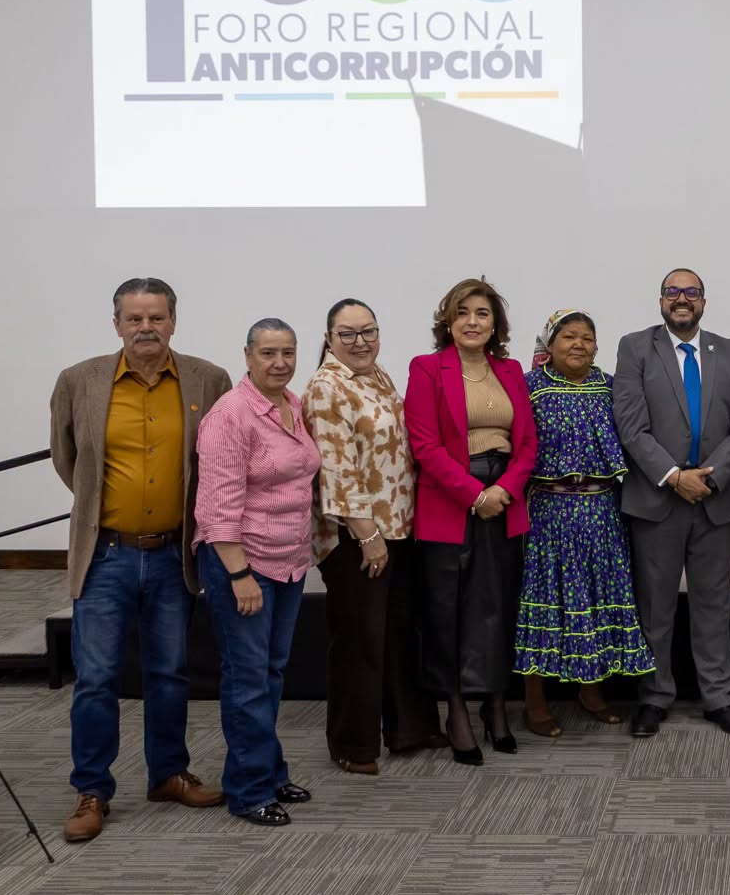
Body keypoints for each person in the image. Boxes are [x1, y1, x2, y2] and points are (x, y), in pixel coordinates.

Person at [49, 277, 231, 843]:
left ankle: (168, 774)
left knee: (170, 672)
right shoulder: (79, 381)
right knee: (97, 678)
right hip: (106, 554)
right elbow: (67, 458)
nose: (145, 328)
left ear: (173, 321)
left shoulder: (208, 379)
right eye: (134, 318)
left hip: (175, 553)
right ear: (117, 324)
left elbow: (220, 460)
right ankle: (92, 790)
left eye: (156, 317)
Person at [304, 298, 446, 776]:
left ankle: (411, 728)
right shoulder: (326, 387)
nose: (360, 341)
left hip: (397, 526)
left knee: (400, 632)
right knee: (360, 640)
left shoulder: (376, 375)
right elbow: (335, 469)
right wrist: (367, 536)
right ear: (329, 339)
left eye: (368, 331)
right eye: (347, 334)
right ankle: (353, 743)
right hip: (357, 537)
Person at [613, 269, 730, 738]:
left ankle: (718, 697)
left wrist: (708, 478)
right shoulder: (635, 348)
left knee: (714, 605)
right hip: (658, 498)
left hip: (715, 498)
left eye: (691, 292)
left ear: (703, 303)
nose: (682, 299)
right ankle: (654, 697)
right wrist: (675, 477)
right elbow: (630, 426)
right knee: (655, 607)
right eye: (672, 291)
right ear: (660, 301)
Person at [195, 318, 321, 826]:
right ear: (247, 356)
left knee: (270, 672)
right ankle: (249, 791)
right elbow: (216, 507)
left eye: (288, 352)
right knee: (247, 678)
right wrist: (239, 574)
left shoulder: (293, 405)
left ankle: (266, 770)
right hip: (243, 563)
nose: (280, 362)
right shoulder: (230, 415)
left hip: (289, 561)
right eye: (268, 353)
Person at [406, 278, 536, 765]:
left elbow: (527, 444)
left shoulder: (511, 370)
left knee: (497, 607)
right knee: (449, 612)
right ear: (448, 320)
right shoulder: (427, 368)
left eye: (482, 313)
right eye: (462, 313)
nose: (472, 322)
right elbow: (424, 446)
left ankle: (496, 704)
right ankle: (456, 709)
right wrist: (474, 495)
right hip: (450, 503)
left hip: (504, 501)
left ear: (495, 323)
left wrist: (503, 490)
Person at [512, 310, 658, 728]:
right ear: (550, 344)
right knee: (547, 601)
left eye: (587, 338)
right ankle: (534, 701)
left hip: (602, 512)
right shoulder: (529, 386)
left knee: (596, 599)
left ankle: (591, 691)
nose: (578, 344)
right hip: (550, 513)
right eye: (569, 336)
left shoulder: (609, 386)